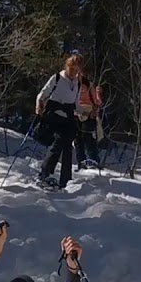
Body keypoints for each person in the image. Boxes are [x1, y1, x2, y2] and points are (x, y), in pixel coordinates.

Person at [35, 54, 84, 190]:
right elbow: (43, 94)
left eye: (76, 70)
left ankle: (66, 180)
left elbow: (77, 103)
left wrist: (84, 113)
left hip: (68, 118)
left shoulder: (77, 83)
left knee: (68, 146)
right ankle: (44, 174)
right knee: (58, 142)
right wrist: (39, 106)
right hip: (53, 115)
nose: (74, 72)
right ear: (67, 66)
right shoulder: (57, 78)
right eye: (72, 69)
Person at [73, 72, 104, 171]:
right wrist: (98, 93)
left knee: (81, 139)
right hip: (85, 114)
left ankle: (84, 161)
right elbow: (97, 102)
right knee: (87, 139)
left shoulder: (72, 86)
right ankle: (92, 160)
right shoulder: (89, 86)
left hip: (79, 114)